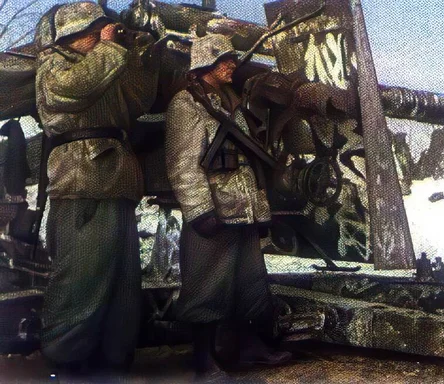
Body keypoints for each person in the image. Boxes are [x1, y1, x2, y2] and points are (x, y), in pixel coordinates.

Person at [35, 1, 157, 375]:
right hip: (81, 179)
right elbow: (70, 91)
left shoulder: (106, 64)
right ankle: (67, 361)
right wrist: (108, 49)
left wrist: (134, 54)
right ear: (72, 36)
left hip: (117, 179)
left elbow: (139, 101)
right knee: (81, 278)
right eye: (95, 31)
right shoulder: (53, 63)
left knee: (123, 283)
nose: (103, 35)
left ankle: (114, 359)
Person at [165, 33, 291, 379]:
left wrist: (259, 209)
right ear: (205, 63)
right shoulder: (187, 104)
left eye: (232, 59)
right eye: (223, 60)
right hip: (214, 211)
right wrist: (198, 210)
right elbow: (183, 163)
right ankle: (204, 361)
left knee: (250, 283)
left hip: (241, 208)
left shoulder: (229, 102)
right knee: (206, 286)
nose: (231, 65)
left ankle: (249, 347)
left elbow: (245, 161)